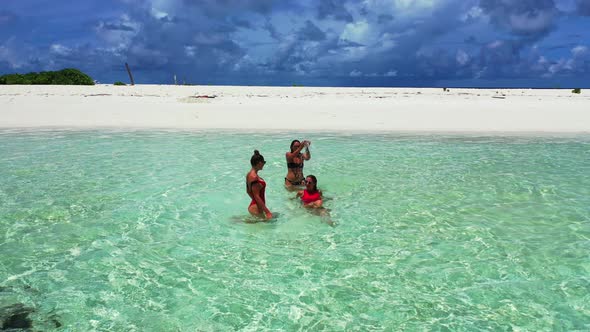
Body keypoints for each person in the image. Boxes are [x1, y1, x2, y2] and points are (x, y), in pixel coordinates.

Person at [246, 150, 272, 220]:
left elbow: (248, 191)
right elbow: (257, 196)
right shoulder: (254, 177)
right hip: (256, 208)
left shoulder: (249, 174)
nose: (264, 164)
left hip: (256, 206)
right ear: (259, 163)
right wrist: (267, 212)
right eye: (264, 162)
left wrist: (255, 202)